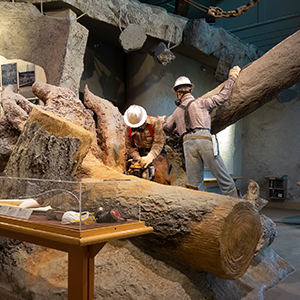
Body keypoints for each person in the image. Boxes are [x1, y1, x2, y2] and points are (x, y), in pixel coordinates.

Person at [163, 66, 241, 197]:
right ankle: (237, 206)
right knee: (222, 176)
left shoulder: (176, 113)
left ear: (178, 93)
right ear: (190, 90)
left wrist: (161, 121)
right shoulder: (202, 103)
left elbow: (168, 128)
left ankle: (197, 213)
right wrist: (232, 78)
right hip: (204, 140)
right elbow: (223, 96)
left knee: (194, 184)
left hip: (187, 144)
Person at [124, 105, 170, 185]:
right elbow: (130, 147)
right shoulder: (128, 128)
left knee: (162, 180)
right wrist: (138, 158)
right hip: (139, 154)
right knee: (133, 176)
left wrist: (150, 157)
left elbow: (158, 143)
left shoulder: (155, 123)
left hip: (155, 154)